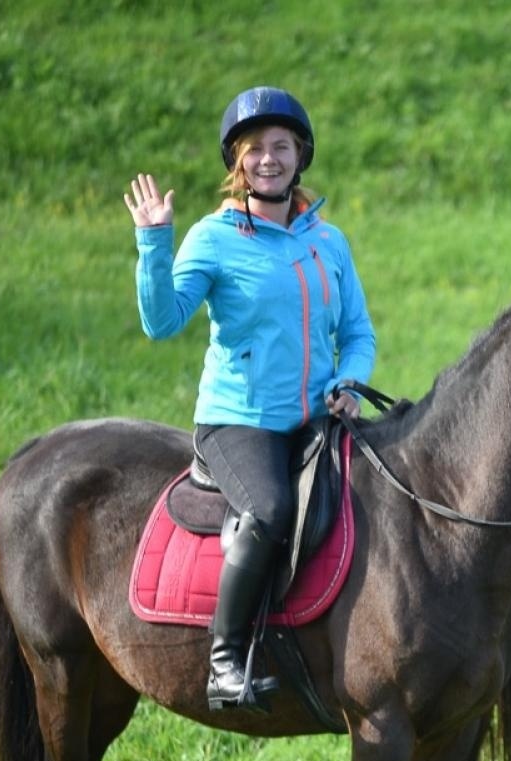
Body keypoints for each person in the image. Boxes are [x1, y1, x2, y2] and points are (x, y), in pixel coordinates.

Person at [124, 86, 376, 711]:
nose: (270, 159)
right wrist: (154, 243)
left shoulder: (329, 242)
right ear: (238, 162)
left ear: (301, 156)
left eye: (282, 147)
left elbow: (358, 334)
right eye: (256, 149)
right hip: (239, 423)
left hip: (318, 416)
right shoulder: (214, 238)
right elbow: (161, 321)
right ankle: (225, 661)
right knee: (267, 509)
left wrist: (348, 382)